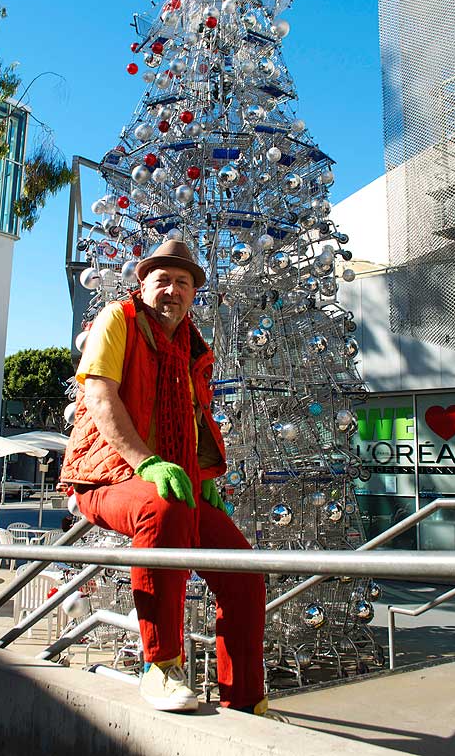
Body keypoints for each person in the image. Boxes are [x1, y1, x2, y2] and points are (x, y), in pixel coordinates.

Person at [60, 240, 267, 715]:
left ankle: (246, 699)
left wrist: (204, 472)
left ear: (194, 292)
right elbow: (100, 396)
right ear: (143, 283)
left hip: (179, 480)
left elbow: (196, 414)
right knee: (162, 507)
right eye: (162, 280)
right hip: (106, 476)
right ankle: (161, 666)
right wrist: (146, 461)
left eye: (183, 282)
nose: (172, 290)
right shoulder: (119, 319)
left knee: (243, 571)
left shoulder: (192, 345)